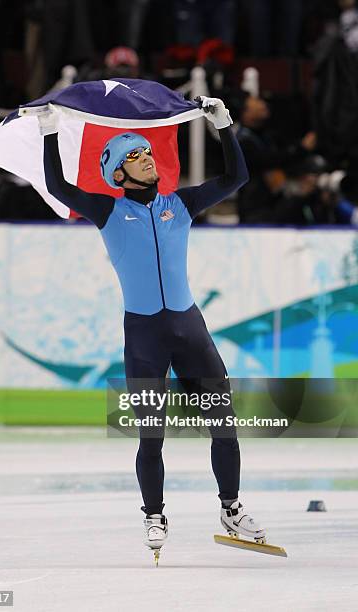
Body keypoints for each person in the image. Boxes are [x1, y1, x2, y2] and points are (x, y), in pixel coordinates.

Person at [38, 96, 265, 560]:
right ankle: (154, 513)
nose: (147, 158)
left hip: (190, 330)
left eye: (147, 151)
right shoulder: (107, 211)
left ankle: (231, 507)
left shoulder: (181, 202)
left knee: (223, 425)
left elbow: (236, 178)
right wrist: (49, 131)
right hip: (145, 336)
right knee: (151, 435)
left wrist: (224, 126)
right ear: (117, 174)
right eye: (135, 156)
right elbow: (59, 187)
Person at [236, 93, 317, 223]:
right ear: (245, 113)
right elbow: (268, 160)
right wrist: (301, 149)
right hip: (255, 211)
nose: (263, 104)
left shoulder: (267, 135)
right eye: (257, 102)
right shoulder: (241, 141)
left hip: (274, 203)